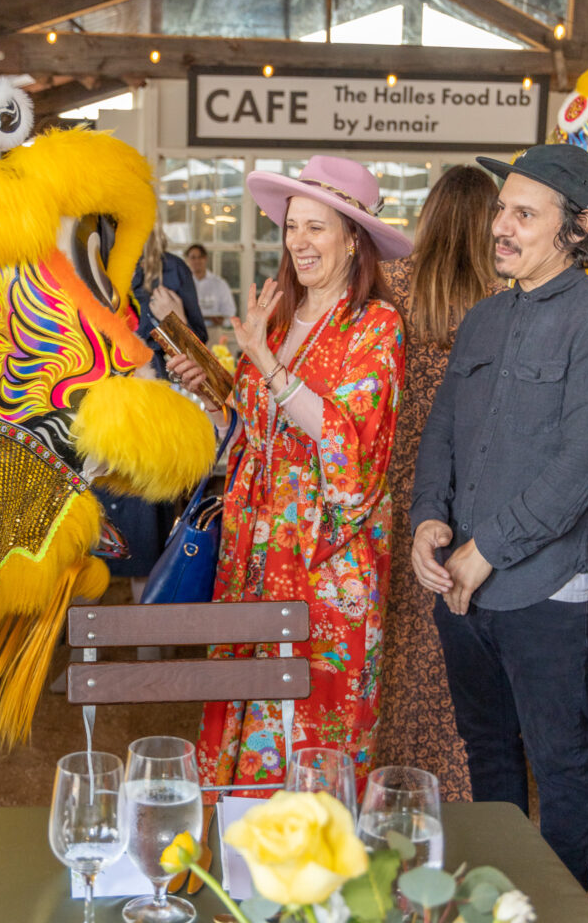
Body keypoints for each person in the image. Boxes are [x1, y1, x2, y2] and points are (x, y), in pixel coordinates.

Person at [410, 144, 588, 887]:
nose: (501, 225)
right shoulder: (483, 319)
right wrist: (429, 522)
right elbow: (442, 435)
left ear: (578, 226)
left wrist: (484, 549)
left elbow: (582, 468)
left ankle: (552, 905)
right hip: (462, 587)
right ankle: (496, 896)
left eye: (523, 214)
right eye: (502, 209)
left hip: (548, 589)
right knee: (486, 747)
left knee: (558, 759)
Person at [168, 155, 410, 799]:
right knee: (246, 691)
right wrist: (218, 384)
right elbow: (261, 423)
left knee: (317, 708)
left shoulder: (376, 327)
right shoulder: (277, 315)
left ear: (353, 238)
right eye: (291, 227)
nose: (298, 242)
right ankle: (242, 847)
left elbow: (345, 437)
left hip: (326, 558)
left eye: (317, 228)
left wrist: (265, 365)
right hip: (255, 547)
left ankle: (318, 867)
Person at [378, 166, 502, 800]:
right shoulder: (503, 297)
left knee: (399, 628)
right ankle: (459, 789)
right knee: (459, 625)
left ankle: (392, 780)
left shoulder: (394, 285)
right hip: (473, 479)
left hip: (400, 477)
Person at [100, 226, 207, 603]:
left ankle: (152, 657)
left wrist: (174, 319)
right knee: (80, 563)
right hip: (89, 426)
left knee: (147, 557)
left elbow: (198, 360)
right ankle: (75, 659)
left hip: (148, 428)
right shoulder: (80, 263)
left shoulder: (169, 270)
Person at [185, 243, 237, 330]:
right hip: (189, 331)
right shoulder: (183, 283)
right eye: (193, 257)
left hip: (213, 331)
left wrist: (223, 321)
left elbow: (230, 311)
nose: (197, 261)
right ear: (187, 260)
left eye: (200, 257)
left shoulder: (220, 283)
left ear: (205, 259)